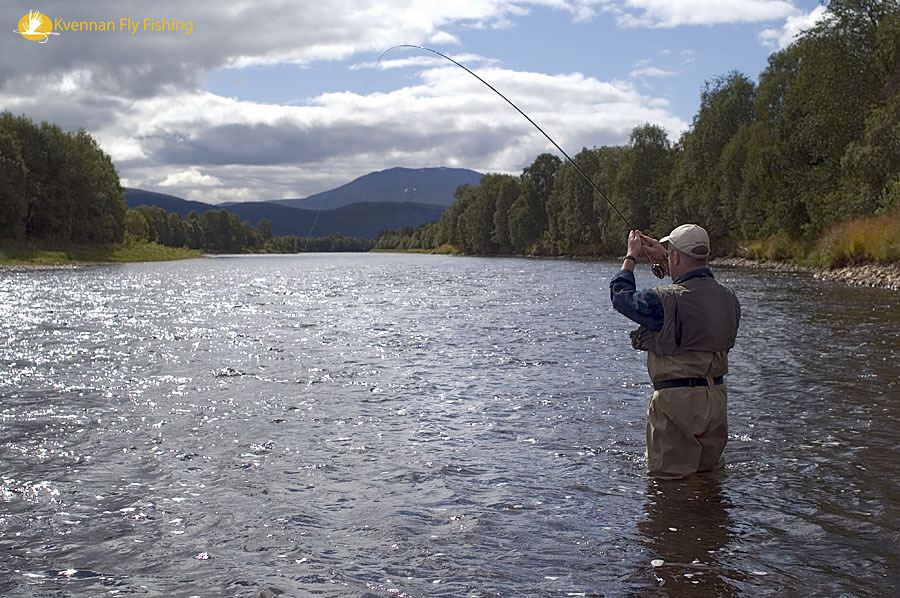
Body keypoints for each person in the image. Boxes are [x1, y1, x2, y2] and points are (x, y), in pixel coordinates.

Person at [609, 224, 740, 478]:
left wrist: (630, 257)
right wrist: (665, 258)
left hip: (676, 403)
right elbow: (693, 287)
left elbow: (621, 297)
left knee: (669, 484)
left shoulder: (664, 301)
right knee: (709, 479)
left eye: (671, 254)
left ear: (677, 258)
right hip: (716, 399)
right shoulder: (728, 298)